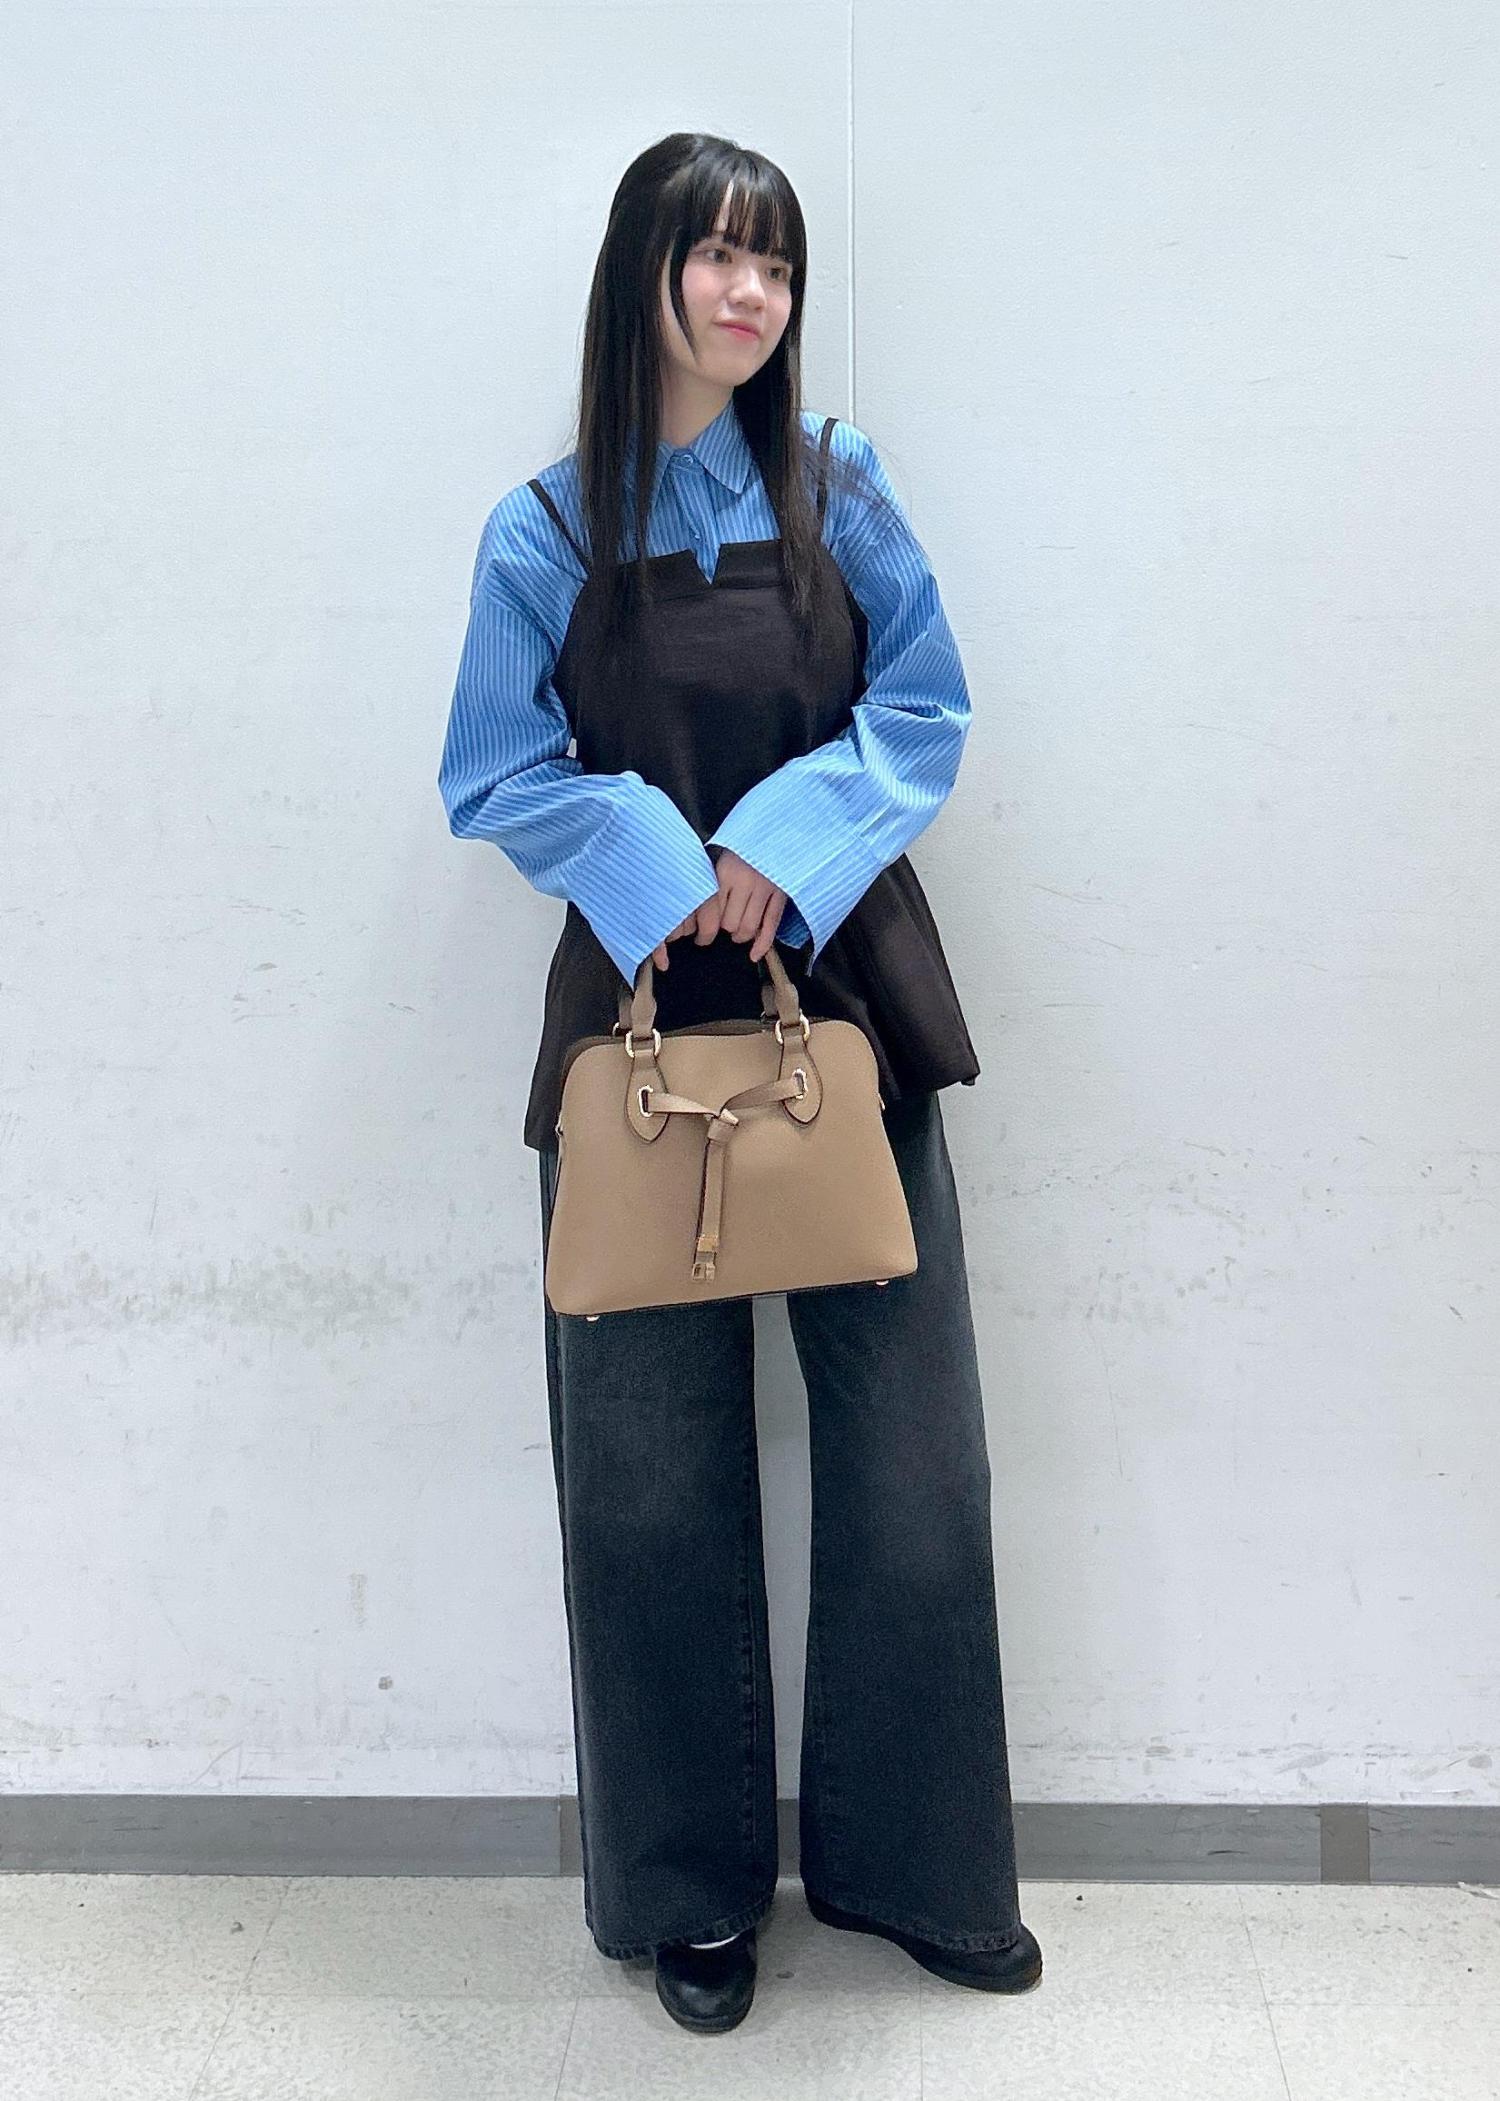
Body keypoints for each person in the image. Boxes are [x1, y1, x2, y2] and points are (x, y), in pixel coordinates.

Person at [437, 131, 1042, 2035]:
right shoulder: (542, 531)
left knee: (916, 1456)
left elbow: (925, 703)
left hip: (840, 1014)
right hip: (632, 1038)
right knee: (644, 1480)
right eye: (713, 256)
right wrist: (658, 856)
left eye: (774, 265)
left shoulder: (839, 485)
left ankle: (918, 1866)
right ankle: (689, 1894)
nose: (748, 294)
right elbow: (491, 769)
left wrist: (781, 845)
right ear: (643, 274)